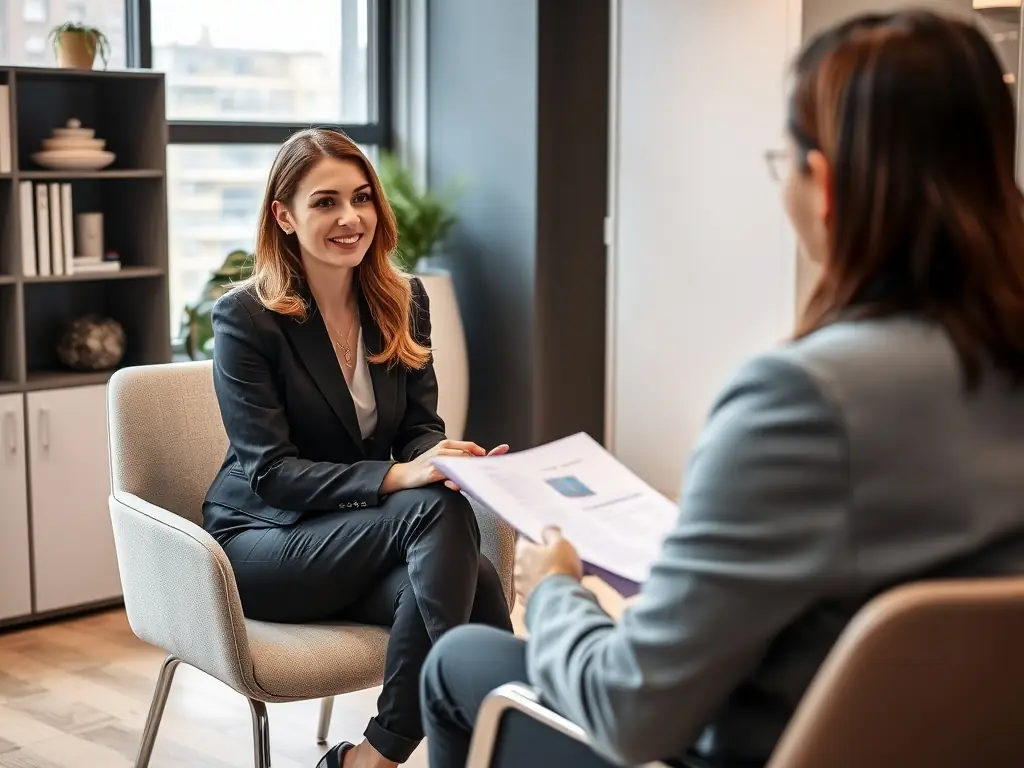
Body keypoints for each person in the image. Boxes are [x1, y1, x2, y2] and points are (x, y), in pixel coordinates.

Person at [419, 10, 1024, 768]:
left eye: (786, 162)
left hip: (756, 746)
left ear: (824, 185)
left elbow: (628, 712)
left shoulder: (803, 400)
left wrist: (554, 592)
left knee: (458, 664)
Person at [201, 127, 513, 768]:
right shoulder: (246, 319)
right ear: (283, 216)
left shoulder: (403, 300)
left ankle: (435, 757)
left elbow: (419, 429)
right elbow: (272, 473)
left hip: (359, 540)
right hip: (263, 544)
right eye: (325, 202)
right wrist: (403, 477)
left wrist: (446, 458)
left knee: (473, 577)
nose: (351, 217)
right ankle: (388, 756)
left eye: (362, 197)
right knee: (434, 511)